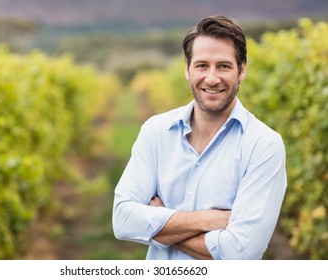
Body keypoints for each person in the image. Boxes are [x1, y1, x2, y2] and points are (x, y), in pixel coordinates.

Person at [112, 15, 287, 260]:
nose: (212, 78)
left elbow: (240, 254)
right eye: (202, 65)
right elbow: (122, 220)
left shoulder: (263, 145)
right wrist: (209, 219)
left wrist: (160, 222)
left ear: (242, 70)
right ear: (187, 69)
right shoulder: (156, 131)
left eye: (224, 66)